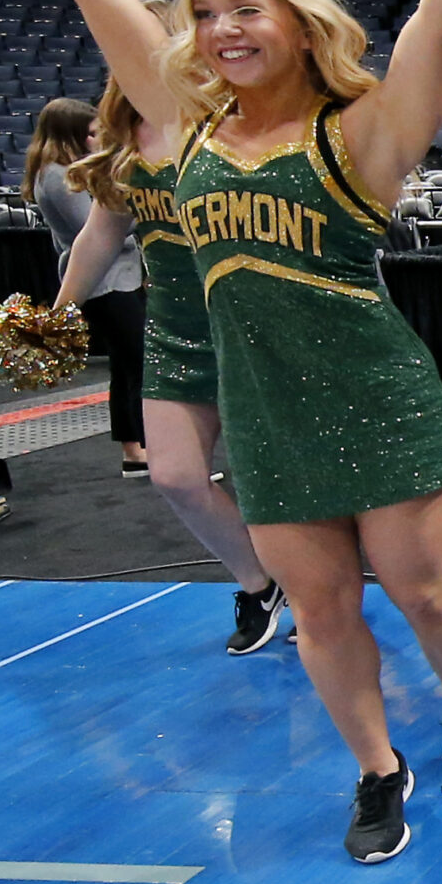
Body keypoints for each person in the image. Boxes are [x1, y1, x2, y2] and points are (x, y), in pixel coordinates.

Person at [11, 0, 442, 866]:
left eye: (246, 8)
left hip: (380, 399)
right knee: (322, 614)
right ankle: (378, 770)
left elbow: (439, 13)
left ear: (296, 20)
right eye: (203, 14)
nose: (222, 29)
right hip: (268, 413)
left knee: (423, 595)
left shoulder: (361, 129)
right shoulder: (183, 125)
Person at [51, 37, 287, 657]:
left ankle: (321, 591)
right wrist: (58, 313)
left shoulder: (238, 120)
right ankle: (261, 584)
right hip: (177, 325)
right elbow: (101, 233)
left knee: (285, 481)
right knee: (176, 475)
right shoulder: (125, 137)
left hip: (257, 323)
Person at [23, 96, 146, 478]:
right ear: (69, 135)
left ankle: (137, 450)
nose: (97, 140)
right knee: (138, 368)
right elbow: (91, 234)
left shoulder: (66, 173)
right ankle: (142, 447)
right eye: (91, 133)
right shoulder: (58, 177)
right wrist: (144, 214)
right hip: (105, 284)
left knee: (128, 369)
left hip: (117, 279)